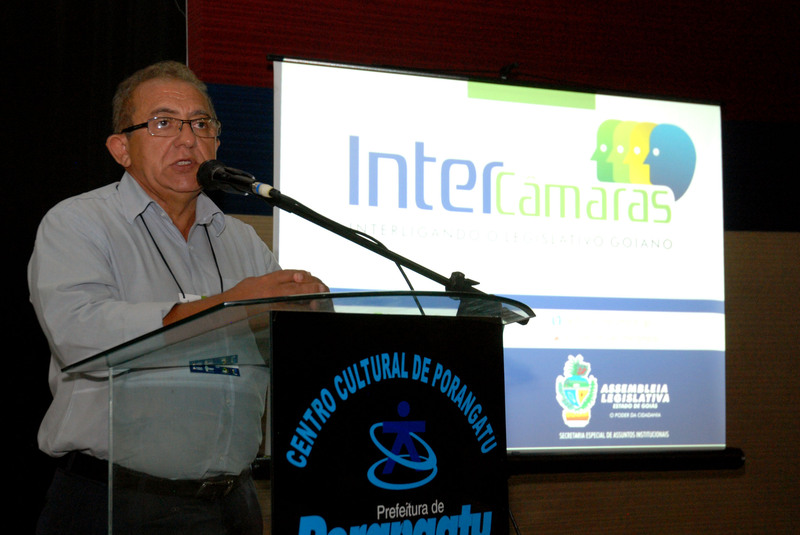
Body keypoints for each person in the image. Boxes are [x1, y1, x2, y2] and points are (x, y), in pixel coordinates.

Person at [28, 60, 328, 534]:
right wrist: (232, 306)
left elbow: (285, 351)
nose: (188, 140)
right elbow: (80, 336)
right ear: (121, 149)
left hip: (235, 502)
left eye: (201, 124)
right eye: (163, 123)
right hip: (118, 502)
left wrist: (309, 313)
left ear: (217, 143)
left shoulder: (241, 239)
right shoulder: (78, 223)